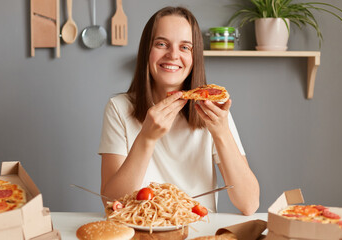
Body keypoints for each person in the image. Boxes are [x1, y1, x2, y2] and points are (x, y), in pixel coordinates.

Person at [98, 6, 259, 215]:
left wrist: (221, 132)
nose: (173, 55)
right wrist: (146, 138)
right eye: (161, 44)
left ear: (195, 58)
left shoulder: (214, 111)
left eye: (185, 47)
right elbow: (112, 203)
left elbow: (249, 204)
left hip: (200, 229)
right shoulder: (119, 108)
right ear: (147, 50)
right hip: (142, 230)